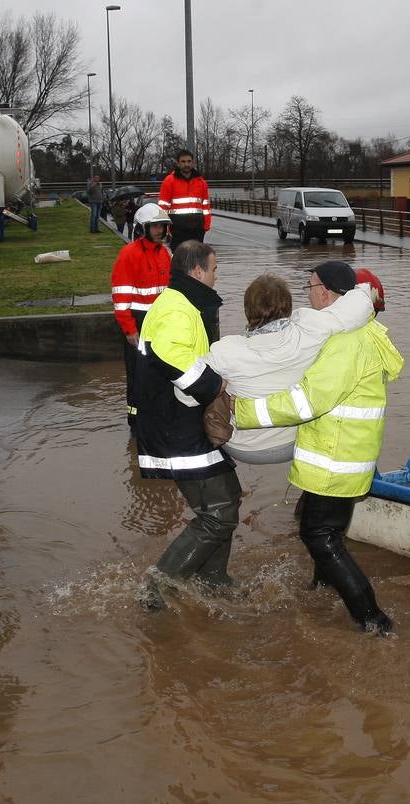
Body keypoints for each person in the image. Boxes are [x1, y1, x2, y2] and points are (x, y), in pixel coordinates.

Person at [233, 261, 404, 635]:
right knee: (323, 530)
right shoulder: (361, 333)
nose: (306, 295)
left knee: (319, 536)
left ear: (326, 292)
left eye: (310, 286)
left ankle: (374, 620)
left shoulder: (345, 343)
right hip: (341, 452)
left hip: (335, 457)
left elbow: (306, 402)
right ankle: (322, 589)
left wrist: (239, 411)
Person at [134, 240, 241, 607]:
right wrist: (214, 385)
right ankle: (158, 584)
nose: (216, 275)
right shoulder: (178, 309)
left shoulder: (179, 303)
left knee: (225, 501)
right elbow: (171, 355)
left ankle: (213, 580)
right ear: (197, 271)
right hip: (176, 426)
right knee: (219, 512)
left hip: (179, 423)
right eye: (214, 269)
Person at [206, 273, 374, 463]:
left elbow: (185, 395)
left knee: (208, 384)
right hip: (296, 443)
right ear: (289, 306)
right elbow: (358, 307)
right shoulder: (310, 330)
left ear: (247, 310)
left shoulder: (225, 350)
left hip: (242, 447)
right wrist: (362, 287)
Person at [110, 203, 172, 431]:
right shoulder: (129, 254)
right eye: (154, 226)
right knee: (137, 376)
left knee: (161, 372)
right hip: (137, 323)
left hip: (161, 324)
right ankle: (135, 421)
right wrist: (129, 330)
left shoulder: (165, 254)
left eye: (162, 226)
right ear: (142, 228)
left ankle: (158, 415)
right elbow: (121, 298)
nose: (159, 231)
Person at [157, 149, 210, 249]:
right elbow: (163, 207)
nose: (186, 164)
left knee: (196, 258)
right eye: (183, 161)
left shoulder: (201, 182)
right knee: (178, 258)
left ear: (193, 163)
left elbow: (206, 206)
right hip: (177, 228)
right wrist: (165, 228)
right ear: (178, 163)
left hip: (197, 228)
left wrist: (206, 225)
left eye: (189, 161)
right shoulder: (169, 181)